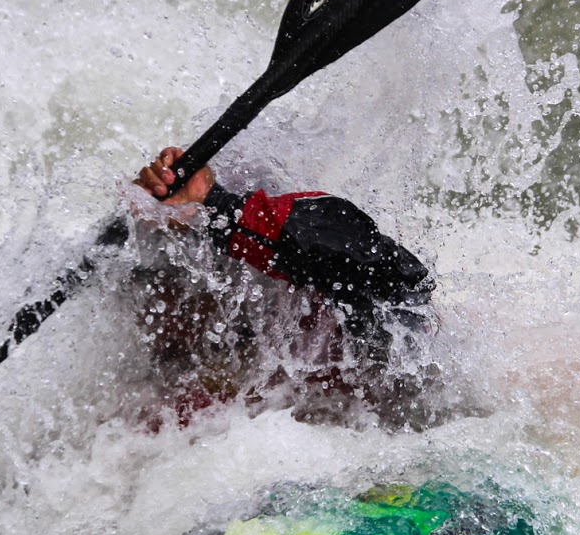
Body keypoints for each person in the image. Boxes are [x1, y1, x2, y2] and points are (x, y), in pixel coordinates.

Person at [125, 147, 442, 430]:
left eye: (172, 281)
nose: (156, 308)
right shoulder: (160, 398)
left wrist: (214, 203)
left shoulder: (330, 311)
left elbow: (385, 266)